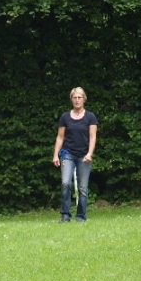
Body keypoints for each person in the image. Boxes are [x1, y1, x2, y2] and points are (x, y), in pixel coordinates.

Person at [52, 87, 98, 222]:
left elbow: (93, 137)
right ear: (71, 99)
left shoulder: (90, 117)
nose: (77, 100)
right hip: (67, 154)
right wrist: (56, 155)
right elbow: (60, 137)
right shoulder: (65, 117)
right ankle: (65, 215)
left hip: (84, 155)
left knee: (82, 187)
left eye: (79, 97)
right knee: (65, 183)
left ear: (84, 99)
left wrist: (90, 153)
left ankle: (80, 216)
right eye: (74, 98)